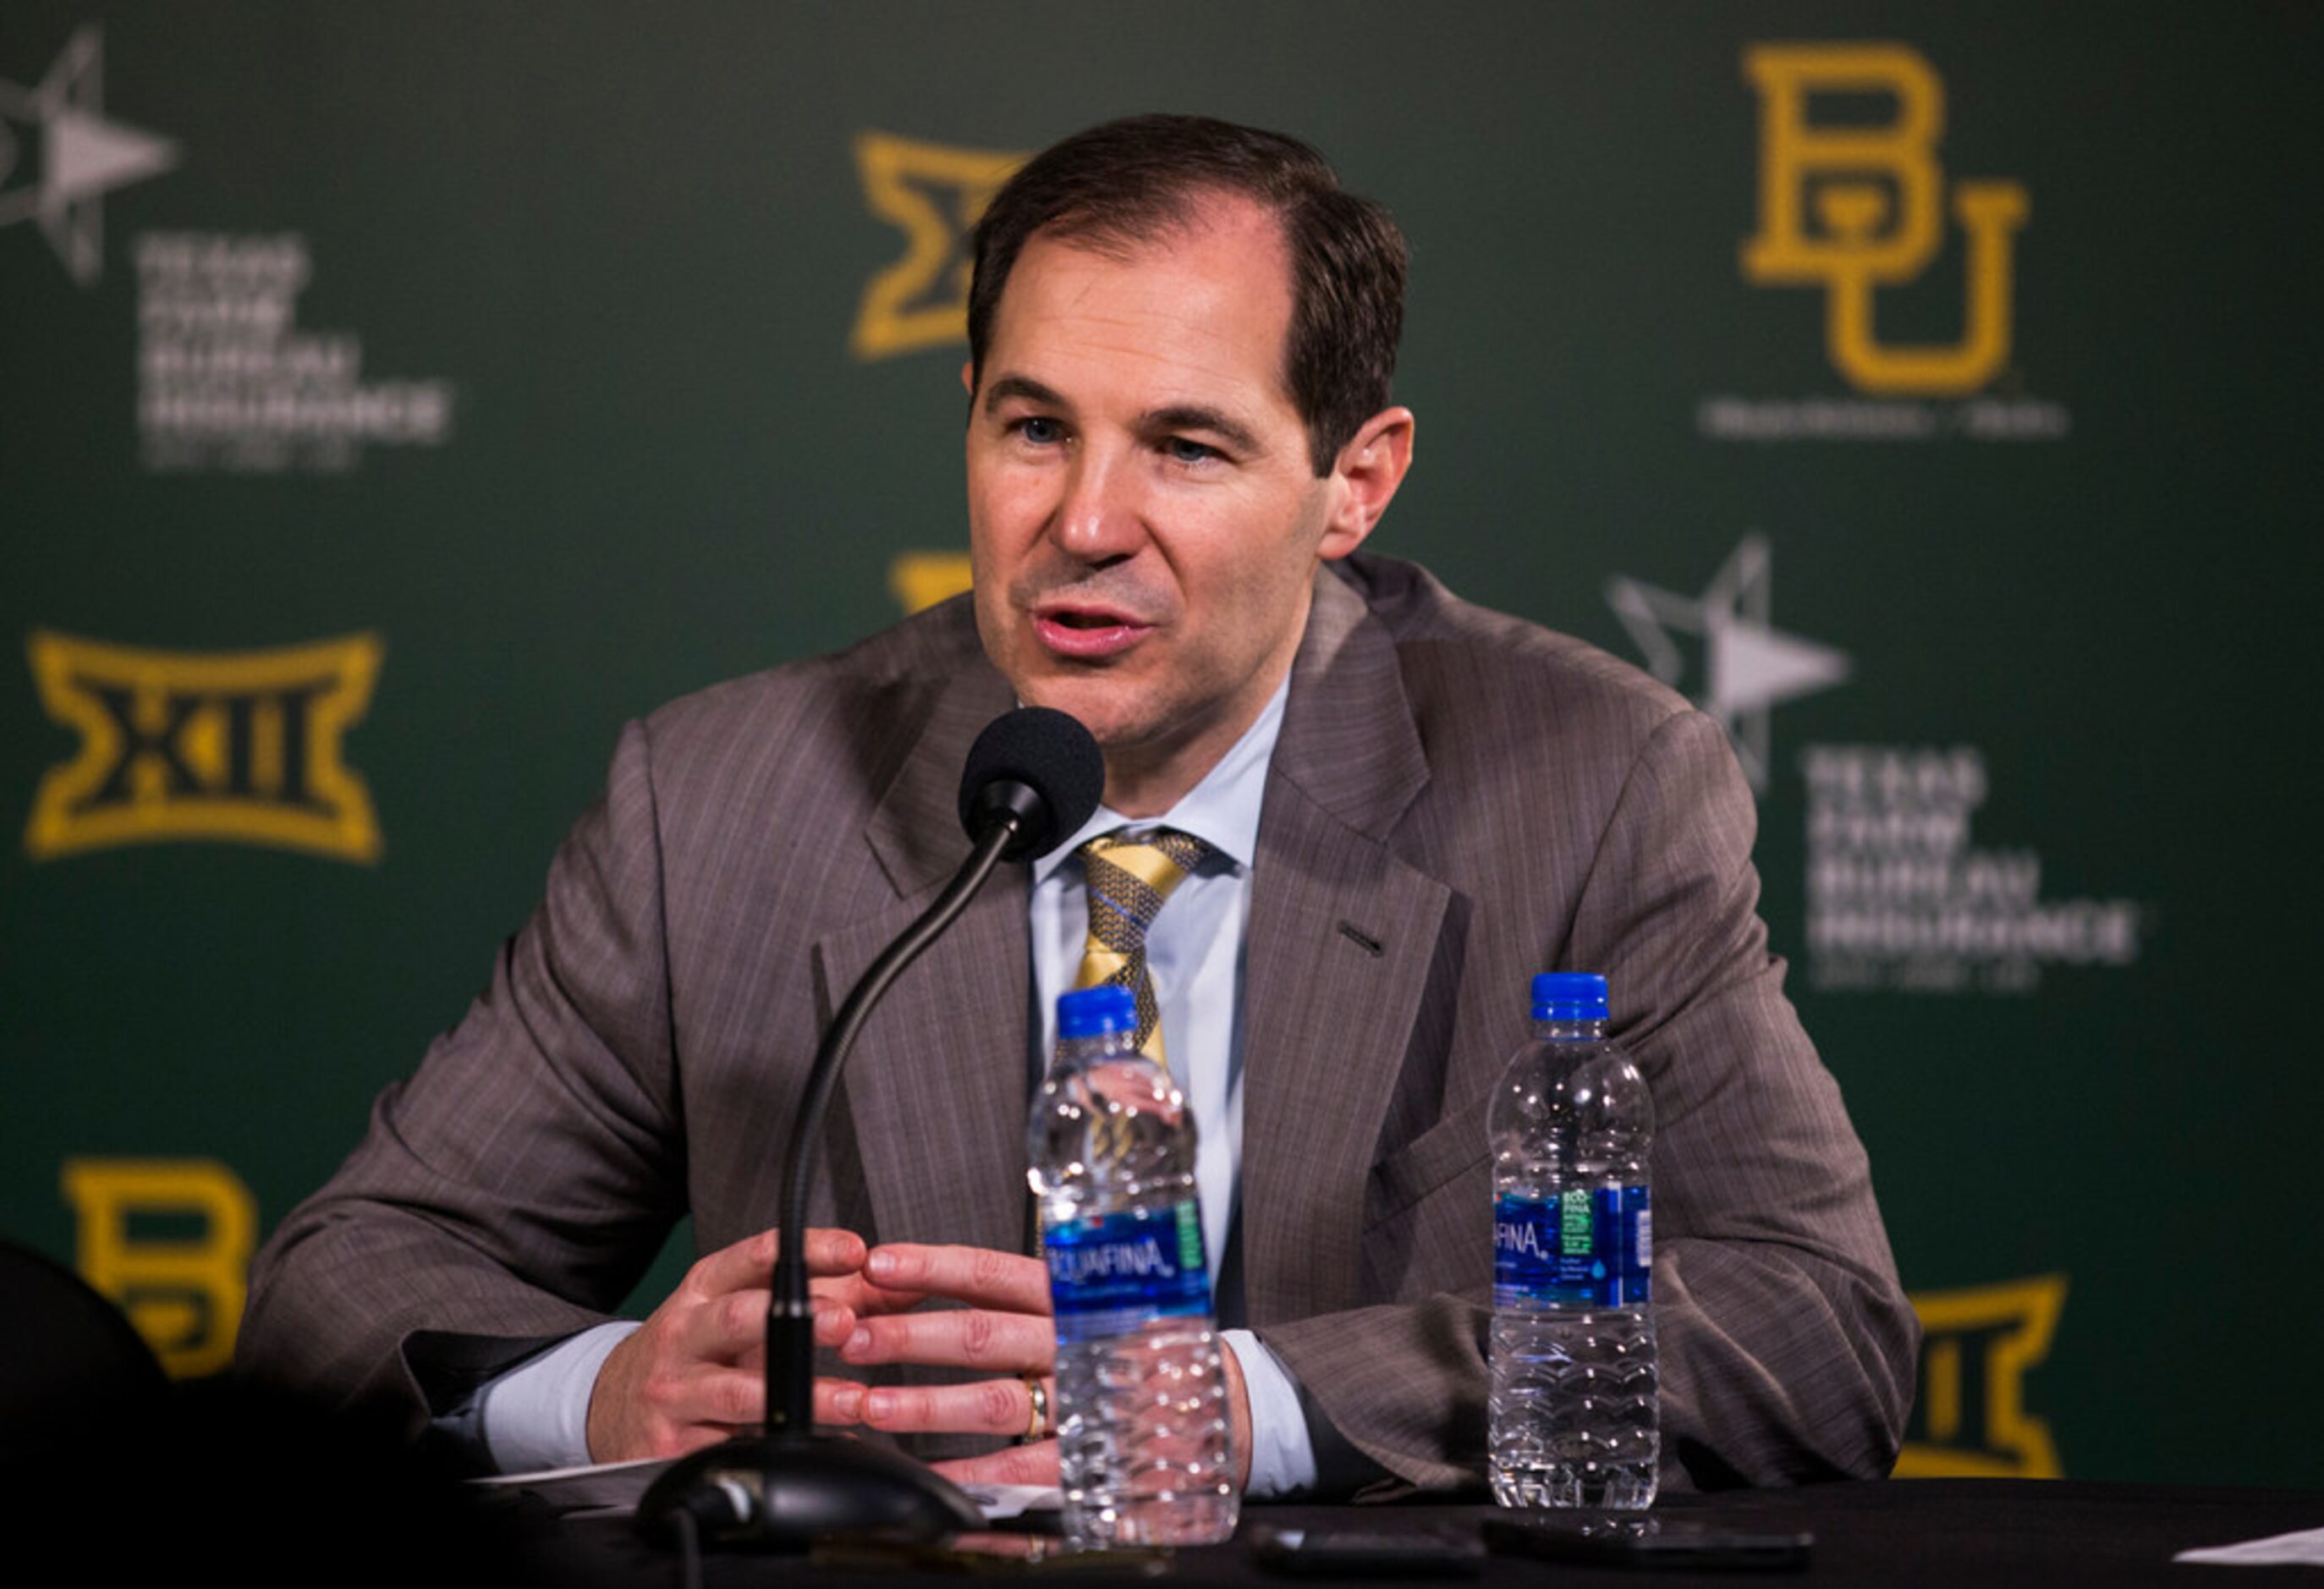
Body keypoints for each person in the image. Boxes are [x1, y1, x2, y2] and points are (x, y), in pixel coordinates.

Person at [239, 114, 1916, 1497]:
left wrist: (1229, 1406)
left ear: (1355, 481)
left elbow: (1815, 1335)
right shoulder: (723, 799)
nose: (1085, 522)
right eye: (1033, 426)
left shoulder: (1589, 782)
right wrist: (613, 1397)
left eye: (1186, 447)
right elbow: (339, 1289)